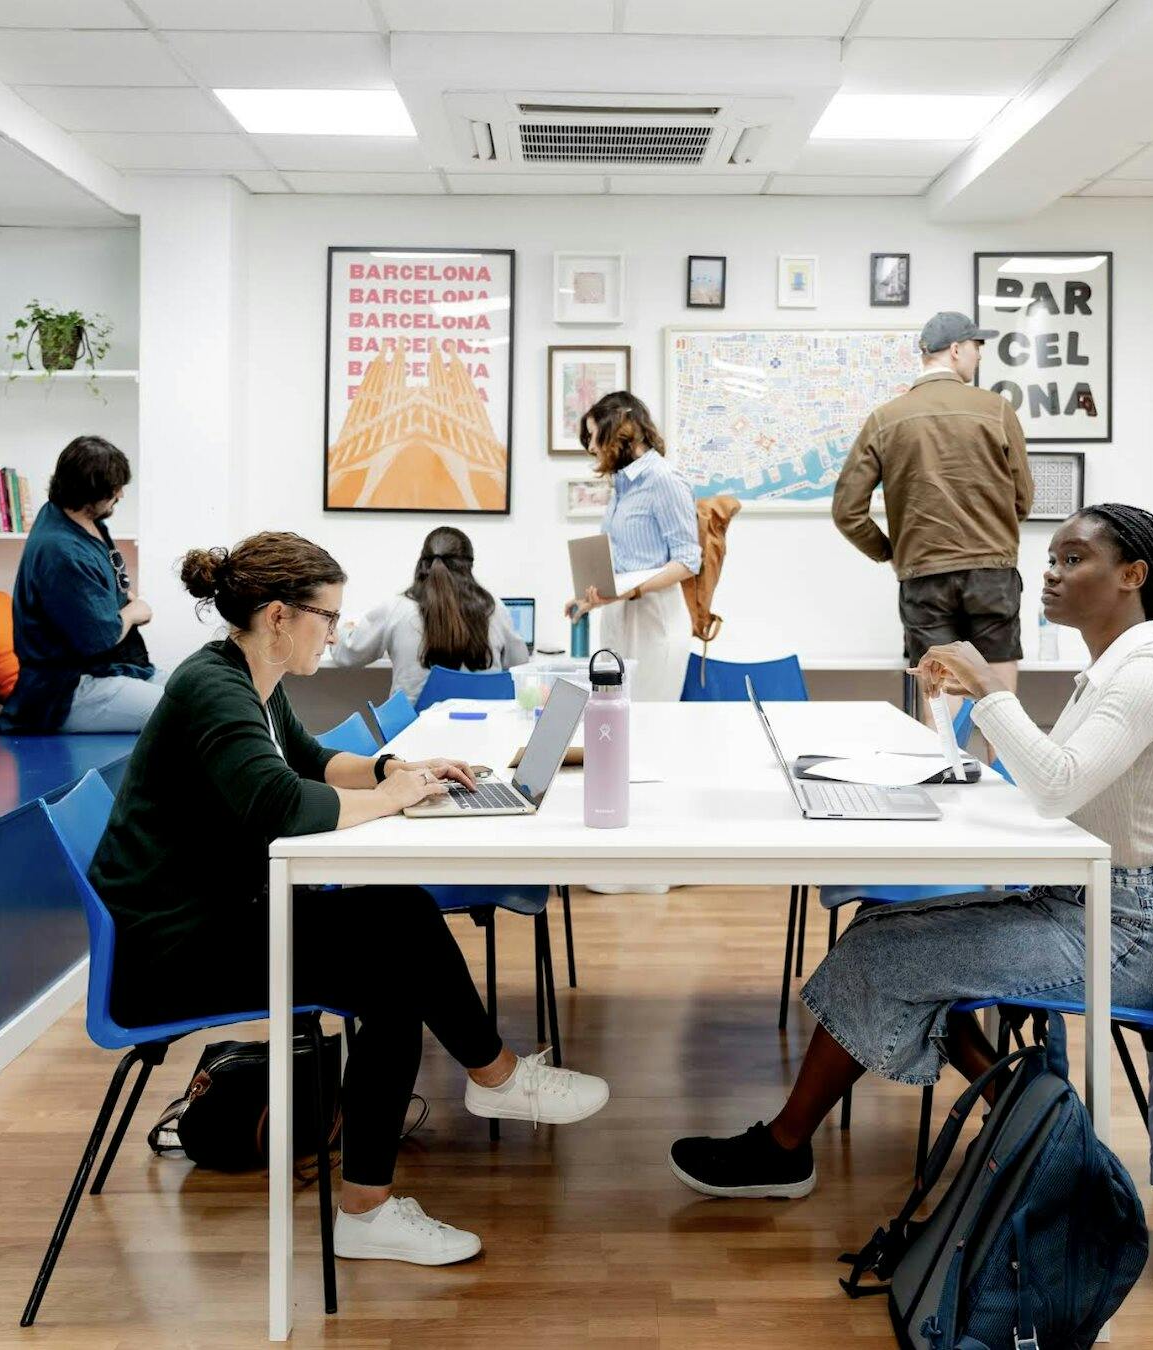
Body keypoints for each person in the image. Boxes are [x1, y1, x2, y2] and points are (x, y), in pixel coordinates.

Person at [668, 503, 1153, 1199]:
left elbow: (1054, 787)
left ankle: (788, 1148)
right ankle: (1023, 1122)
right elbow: (1062, 780)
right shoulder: (1117, 670)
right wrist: (960, 710)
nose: (1049, 574)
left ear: (1132, 576)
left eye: (1073, 560)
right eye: (1050, 559)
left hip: (1126, 937)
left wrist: (991, 688)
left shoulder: (1149, 676)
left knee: (882, 952)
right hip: (1091, 907)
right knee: (878, 926)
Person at [89, 530, 609, 1264]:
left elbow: (309, 760)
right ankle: (385, 1195)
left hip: (214, 913)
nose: (336, 633)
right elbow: (283, 806)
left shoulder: (244, 680)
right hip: (173, 953)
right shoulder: (212, 689)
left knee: (399, 910)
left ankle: (492, 1081)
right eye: (326, 618)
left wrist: (398, 766)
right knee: (390, 985)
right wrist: (399, 795)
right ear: (278, 617)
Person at [830, 311, 1033, 722]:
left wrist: (891, 550)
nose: (978, 356)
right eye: (977, 347)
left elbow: (846, 510)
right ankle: (1008, 781)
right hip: (992, 572)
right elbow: (1023, 499)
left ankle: (946, 779)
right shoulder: (995, 409)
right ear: (956, 350)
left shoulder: (886, 419)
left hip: (923, 574)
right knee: (998, 693)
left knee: (940, 694)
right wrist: (992, 532)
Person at [0, 435, 162, 735]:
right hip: (65, 690)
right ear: (90, 494)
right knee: (186, 713)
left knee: (197, 693)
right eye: (114, 490)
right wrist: (134, 612)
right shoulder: (61, 550)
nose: (120, 496)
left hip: (103, 670)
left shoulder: (74, 517)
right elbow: (100, 636)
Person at [564, 390, 701, 703]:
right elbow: (626, 563)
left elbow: (688, 560)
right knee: (616, 721)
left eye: (594, 435)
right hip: (619, 619)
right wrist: (592, 598)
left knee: (649, 727)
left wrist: (633, 590)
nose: (590, 446)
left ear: (617, 432)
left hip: (655, 623)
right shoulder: (621, 486)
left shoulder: (664, 479)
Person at [331, 526, 530, 704]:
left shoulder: (396, 608)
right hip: (482, 730)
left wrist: (341, 630)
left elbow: (347, 656)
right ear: (468, 565)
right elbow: (519, 662)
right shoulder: (492, 607)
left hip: (411, 735)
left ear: (422, 563)